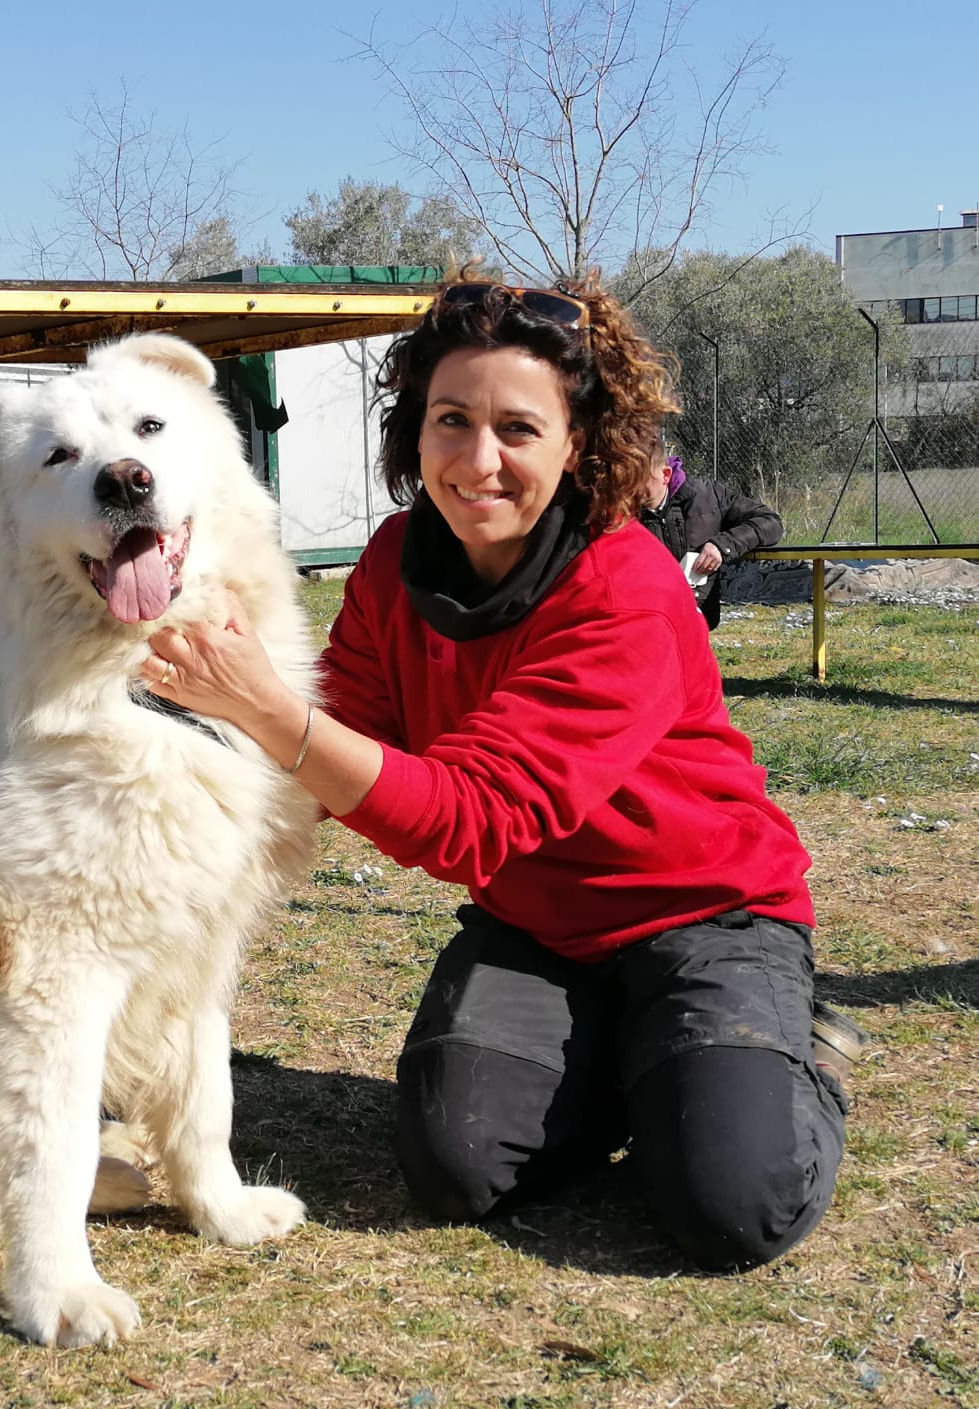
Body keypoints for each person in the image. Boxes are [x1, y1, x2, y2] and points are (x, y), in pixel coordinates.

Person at [135, 277, 868, 1272]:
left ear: (577, 444)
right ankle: (636, 1056)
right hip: (541, 927)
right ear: (415, 432)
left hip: (706, 917)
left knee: (736, 1203)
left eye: (518, 428)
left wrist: (264, 705)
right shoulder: (396, 558)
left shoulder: (629, 586)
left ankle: (780, 1052)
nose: (479, 461)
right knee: (455, 1167)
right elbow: (337, 730)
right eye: (451, 420)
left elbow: (465, 820)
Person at [640, 447, 784, 629]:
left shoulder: (709, 497)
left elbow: (770, 522)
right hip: (644, 627)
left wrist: (723, 545)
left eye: (640, 476)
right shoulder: (617, 512)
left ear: (666, 475)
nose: (629, 486)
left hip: (698, 622)